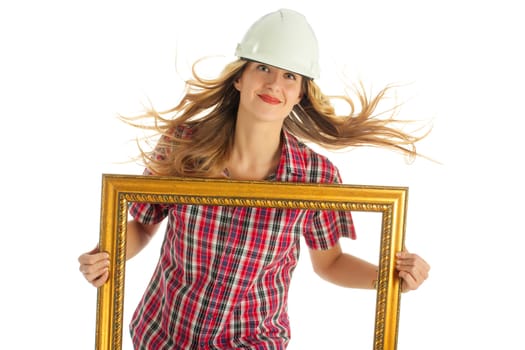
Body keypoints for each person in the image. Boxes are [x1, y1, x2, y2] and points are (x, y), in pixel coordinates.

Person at [78, 8, 430, 349]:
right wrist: (108, 252)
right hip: (163, 335)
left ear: (300, 93)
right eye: (263, 68)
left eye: (290, 76)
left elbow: (331, 263)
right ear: (239, 77)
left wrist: (390, 279)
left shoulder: (317, 176)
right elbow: (143, 226)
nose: (275, 84)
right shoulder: (183, 144)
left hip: (252, 341)